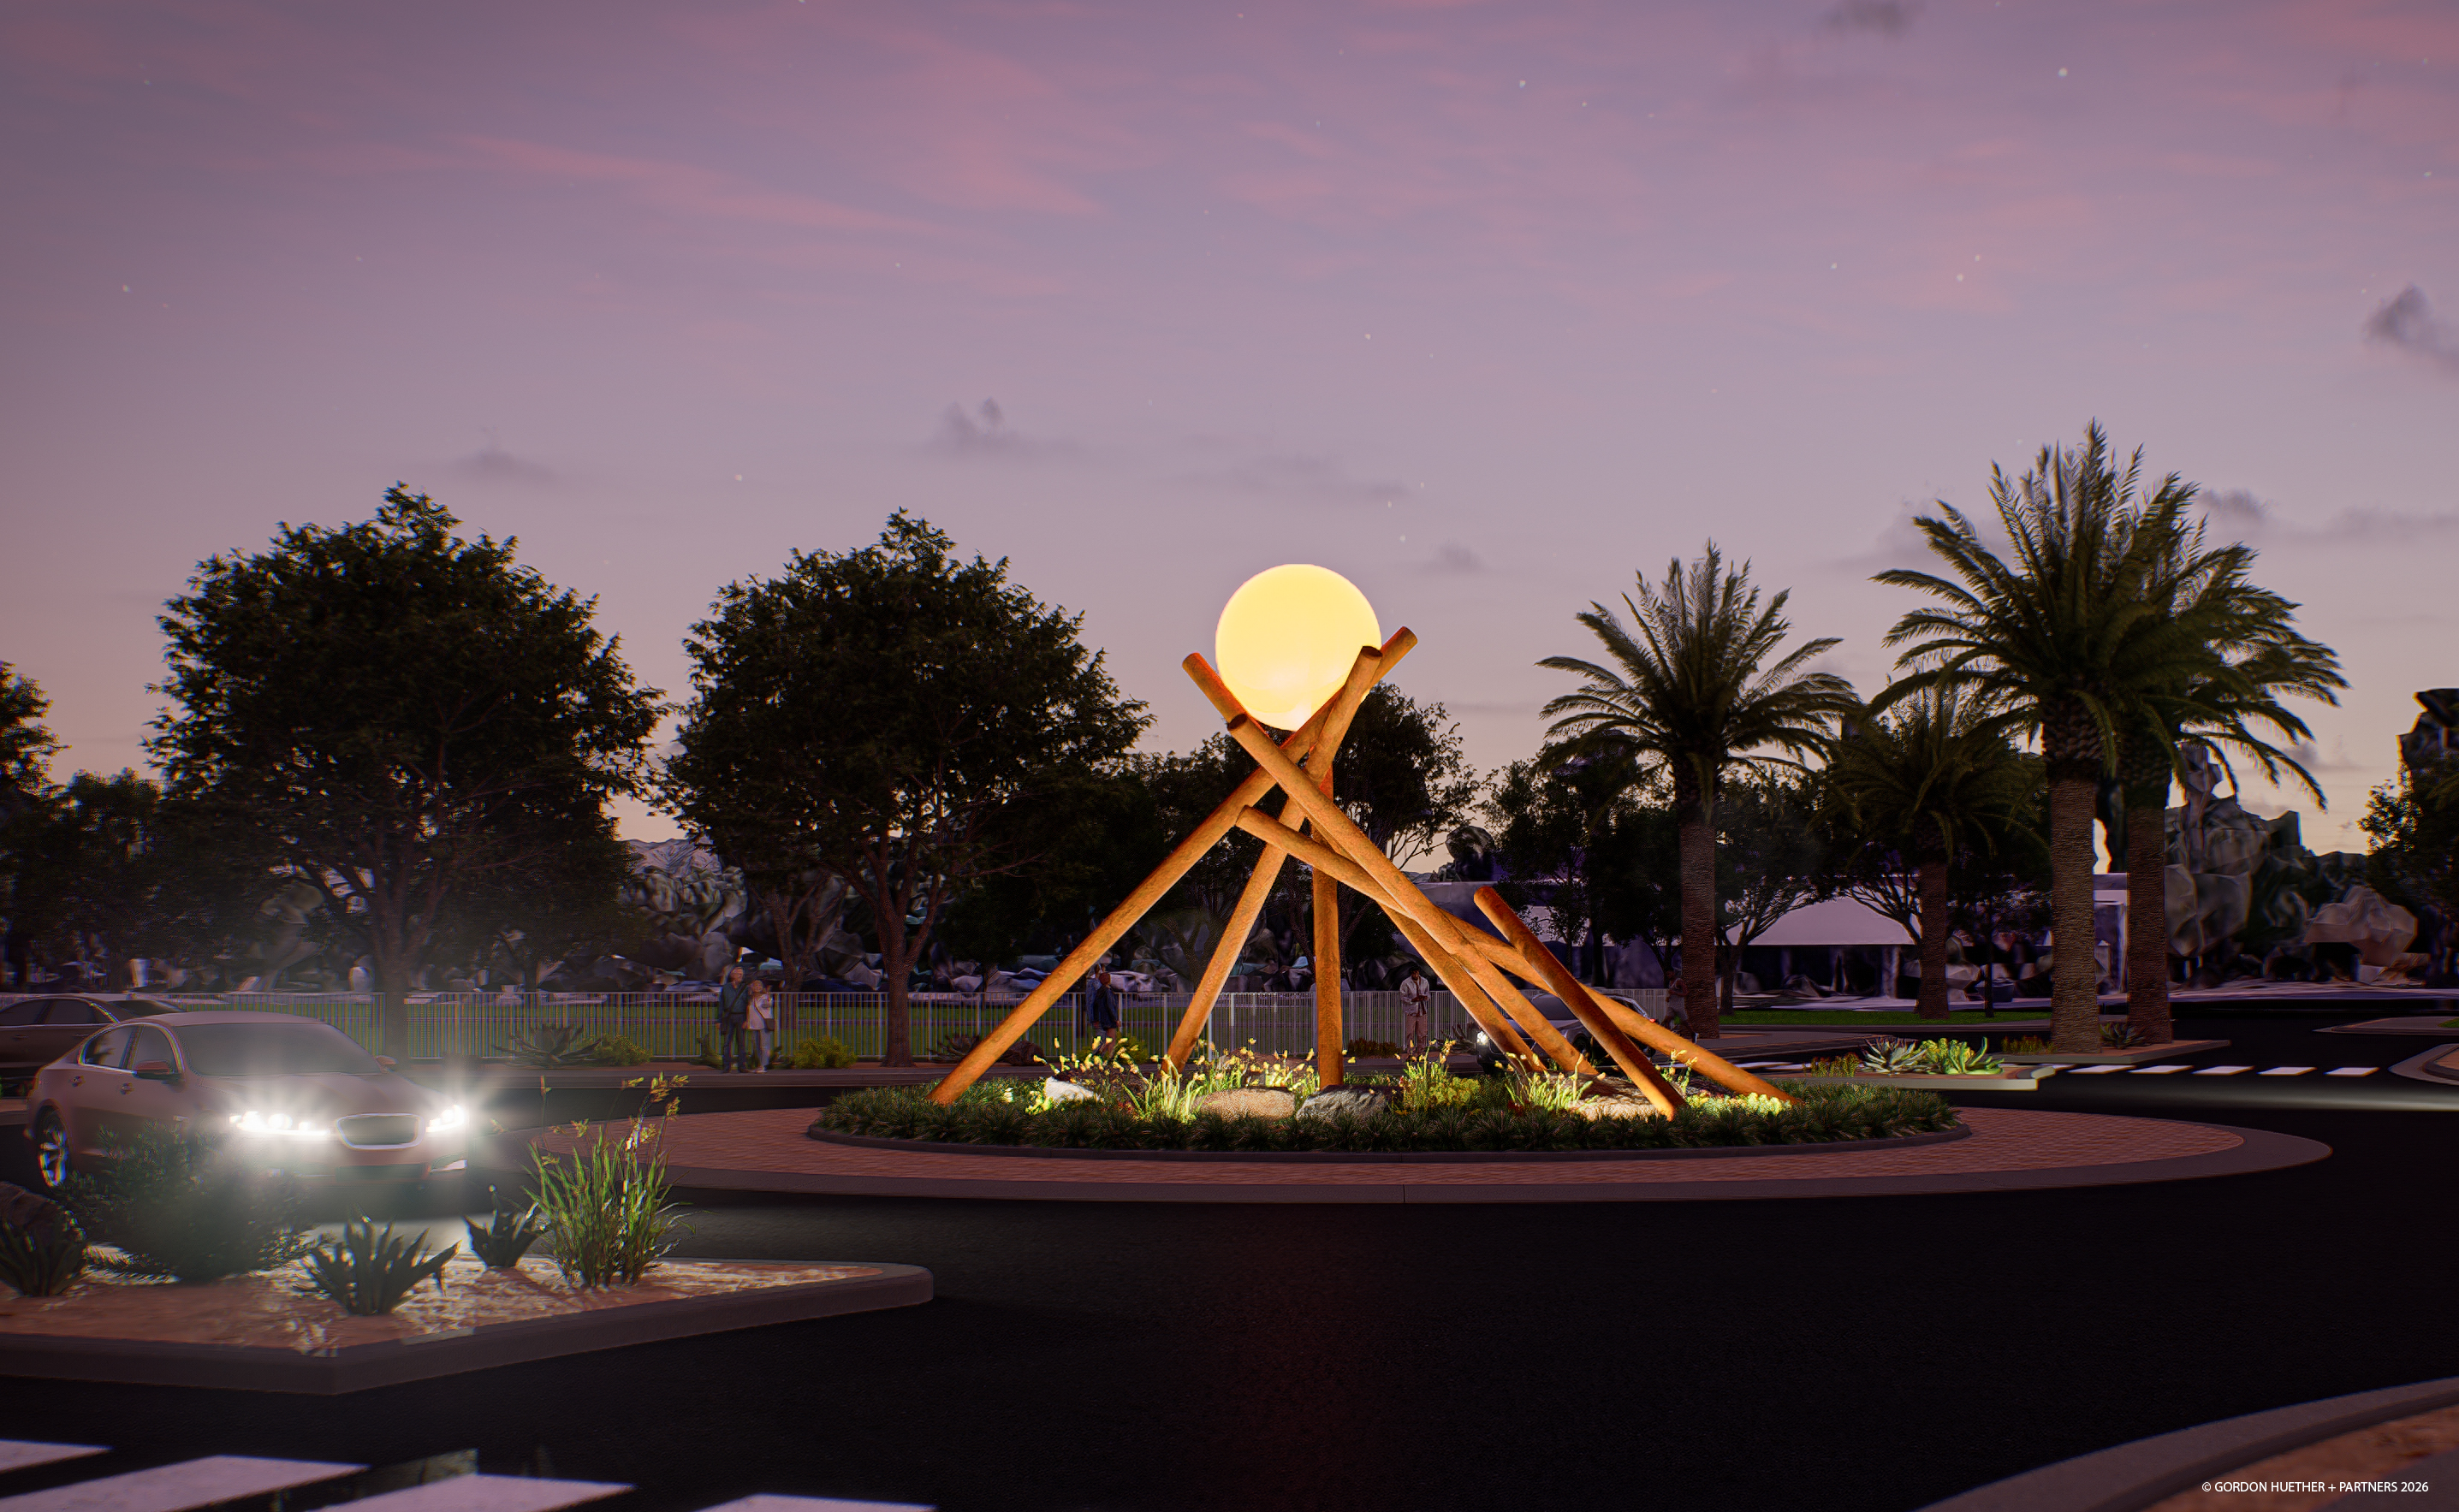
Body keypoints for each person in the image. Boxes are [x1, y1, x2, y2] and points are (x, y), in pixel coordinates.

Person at [716, 964, 751, 1073]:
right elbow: (721, 1004)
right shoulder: (726, 988)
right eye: (739, 974)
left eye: (742, 974)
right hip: (728, 1016)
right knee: (727, 1042)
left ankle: (742, 1066)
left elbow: (748, 1004)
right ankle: (726, 1066)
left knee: (741, 1042)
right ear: (733, 975)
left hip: (741, 1016)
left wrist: (747, 1020)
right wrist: (719, 1020)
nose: (741, 976)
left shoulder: (745, 988)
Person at [1084, 965, 1120, 1052]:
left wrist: (1095, 1018)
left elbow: (1094, 1005)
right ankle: (1109, 1058)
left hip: (1101, 1018)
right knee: (1111, 1040)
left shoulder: (1099, 991)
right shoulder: (1108, 991)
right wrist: (1116, 1019)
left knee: (1101, 1040)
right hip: (1109, 1019)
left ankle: (1097, 1056)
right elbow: (1110, 1006)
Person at [1399, 963, 1432, 1053]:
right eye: (1414, 973)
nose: (1415, 975)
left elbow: (1428, 994)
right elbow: (1403, 997)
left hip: (1422, 1011)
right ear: (1411, 973)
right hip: (1411, 1012)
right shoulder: (1406, 983)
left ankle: (1421, 1052)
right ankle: (1411, 1053)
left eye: (1417, 973)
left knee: (1422, 1033)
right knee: (1410, 1033)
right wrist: (1412, 1000)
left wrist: (1425, 997)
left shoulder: (1424, 981)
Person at [745, 977, 775, 1072]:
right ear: (752, 987)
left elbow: (767, 1005)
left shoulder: (765, 997)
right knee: (756, 1046)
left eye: (759, 985)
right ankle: (759, 1064)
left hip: (763, 1024)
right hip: (753, 1025)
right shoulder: (751, 998)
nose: (757, 987)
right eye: (755, 985)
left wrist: (768, 996)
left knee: (763, 1046)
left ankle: (763, 1066)